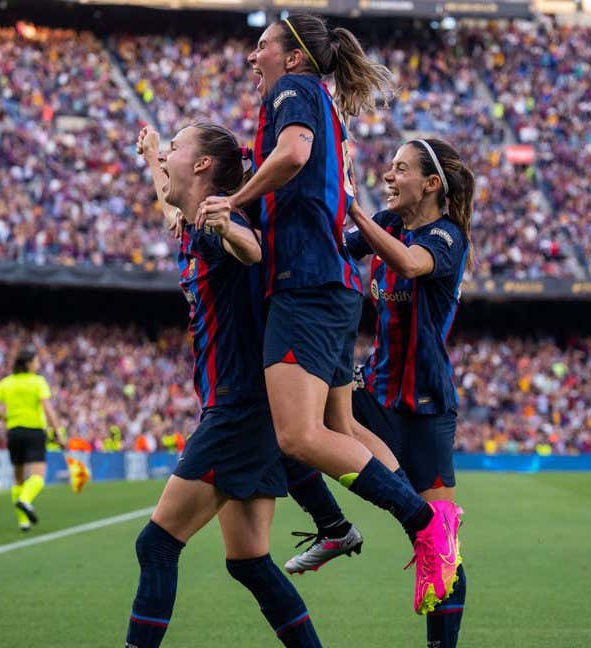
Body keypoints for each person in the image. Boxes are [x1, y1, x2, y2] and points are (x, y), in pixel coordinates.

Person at [198, 13, 460, 614]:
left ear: (293, 57)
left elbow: (293, 154)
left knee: (296, 435)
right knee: (338, 429)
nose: (251, 56)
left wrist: (232, 199)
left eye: (262, 46)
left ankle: (426, 523)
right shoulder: (314, 96)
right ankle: (410, 523)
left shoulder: (294, 90)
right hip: (327, 285)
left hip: (306, 285)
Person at [124, 122, 320, 648]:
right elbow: (171, 207)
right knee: (249, 561)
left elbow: (250, 250)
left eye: (174, 149)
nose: (166, 156)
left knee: (157, 545)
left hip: (240, 408)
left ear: (204, 165)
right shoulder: (192, 221)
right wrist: (149, 156)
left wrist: (228, 225)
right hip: (247, 409)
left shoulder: (218, 224)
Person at [345, 138, 475, 646]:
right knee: (295, 419)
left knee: (442, 549)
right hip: (375, 393)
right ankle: (334, 526)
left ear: (431, 183)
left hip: (426, 409)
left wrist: (353, 206)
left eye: (400, 169)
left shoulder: (446, 237)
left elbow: (408, 265)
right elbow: (335, 245)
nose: (389, 176)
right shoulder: (388, 222)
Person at [0, 346, 62, 531]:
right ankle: (25, 499)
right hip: (34, 432)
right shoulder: (37, 382)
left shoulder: (7, 382)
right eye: (36, 361)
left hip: (14, 432)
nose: (38, 364)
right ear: (28, 363)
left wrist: (6, 418)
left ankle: (23, 521)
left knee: (19, 479)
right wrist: (57, 431)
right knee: (38, 476)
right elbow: (48, 408)